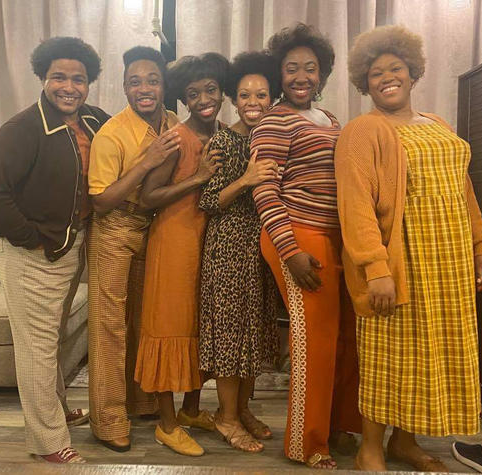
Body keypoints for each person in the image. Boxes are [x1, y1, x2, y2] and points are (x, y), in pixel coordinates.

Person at [335, 25, 482, 472]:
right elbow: (356, 207)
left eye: (395, 69)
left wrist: (481, 243)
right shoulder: (362, 131)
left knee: (428, 354)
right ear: (363, 83)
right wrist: (376, 268)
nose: (387, 78)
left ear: (413, 72)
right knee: (387, 351)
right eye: (375, 74)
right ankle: (371, 446)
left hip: (449, 258)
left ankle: (405, 442)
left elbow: (463, 190)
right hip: (402, 258)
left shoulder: (438, 125)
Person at [0, 37, 109, 464]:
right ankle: (48, 441)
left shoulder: (91, 120)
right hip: (32, 253)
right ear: (43, 78)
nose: (69, 87)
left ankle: (55, 410)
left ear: (90, 84)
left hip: (70, 245)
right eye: (59, 77)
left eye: (79, 79)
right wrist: (30, 238)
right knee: (35, 344)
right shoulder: (23, 127)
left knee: (54, 335)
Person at [251, 23, 361, 469]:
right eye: (291, 68)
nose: (301, 76)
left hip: (337, 236)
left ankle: (337, 427)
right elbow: (264, 190)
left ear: (322, 74)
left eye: (310, 69)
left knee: (343, 339)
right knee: (314, 341)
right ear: (280, 74)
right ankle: (307, 443)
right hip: (296, 234)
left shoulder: (330, 120)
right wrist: (289, 248)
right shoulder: (273, 121)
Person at [134, 53, 228, 457]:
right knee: (168, 327)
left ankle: (191, 410)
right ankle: (166, 424)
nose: (204, 99)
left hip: (207, 243)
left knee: (196, 328)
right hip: (173, 243)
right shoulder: (175, 139)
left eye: (210, 90)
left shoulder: (224, 132)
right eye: (193, 94)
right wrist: (199, 177)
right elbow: (147, 197)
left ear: (222, 91)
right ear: (184, 99)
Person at [87, 46, 180, 452]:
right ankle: (107, 420)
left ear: (163, 86)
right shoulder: (113, 134)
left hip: (153, 228)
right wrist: (144, 163)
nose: (144, 89)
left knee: (143, 320)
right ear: (124, 87)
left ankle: (140, 402)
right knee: (110, 327)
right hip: (113, 229)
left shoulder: (174, 124)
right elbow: (101, 201)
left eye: (152, 80)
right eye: (135, 82)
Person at [198, 50, 281, 454]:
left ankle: (242, 409)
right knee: (230, 339)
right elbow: (208, 202)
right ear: (234, 98)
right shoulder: (224, 140)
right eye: (245, 95)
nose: (253, 103)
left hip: (260, 252)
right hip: (228, 252)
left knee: (252, 337)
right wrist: (247, 178)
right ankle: (226, 417)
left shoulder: (271, 137)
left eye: (261, 95)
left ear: (272, 98)